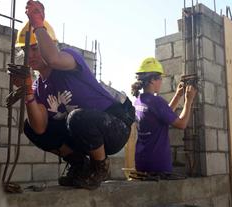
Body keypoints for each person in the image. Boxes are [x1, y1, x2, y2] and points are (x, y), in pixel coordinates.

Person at [10, 0, 134, 190]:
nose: (30, 55)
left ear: (49, 43)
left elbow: (52, 58)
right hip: (83, 134)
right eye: (26, 51)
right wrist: (28, 93)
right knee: (30, 127)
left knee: (77, 118)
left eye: (34, 48)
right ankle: (79, 164)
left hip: (114, 125)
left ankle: (100, 167)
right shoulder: (39, 87)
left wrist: (37, 25)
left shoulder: (68, 59)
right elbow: (40, 128)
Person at [131, 57, 197, 174]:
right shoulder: (156, 101)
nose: (161, 81)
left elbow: (164, 114)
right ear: (152, 80)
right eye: (160, 78)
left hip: (141, 162)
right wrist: (189, 100)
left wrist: (177, 95)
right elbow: (181, 124)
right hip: (158, 165)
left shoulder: (139, 101)